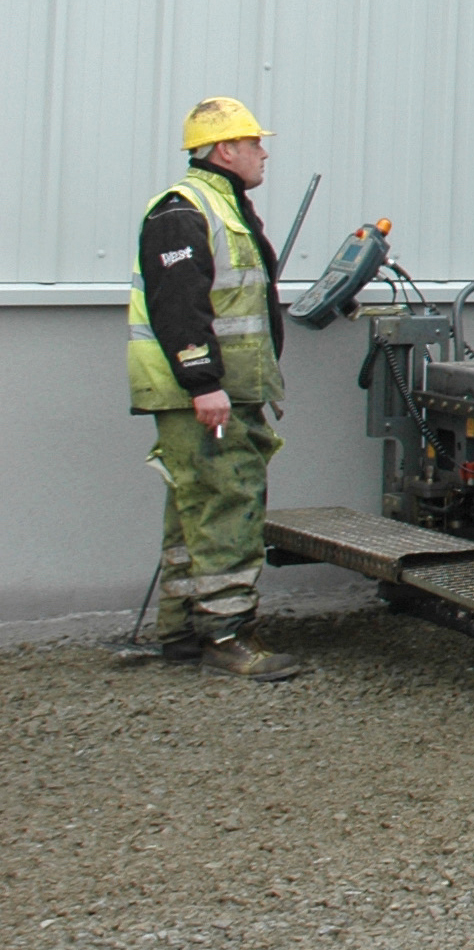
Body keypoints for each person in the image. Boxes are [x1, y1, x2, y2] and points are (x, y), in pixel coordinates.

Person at [125, 97, 303, 679]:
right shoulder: (184, 211)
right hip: (204, 392)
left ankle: (182, 633)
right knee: (230, 503)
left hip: (220, 389)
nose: (264, 152)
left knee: (192, 509)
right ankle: (228, 637)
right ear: (225, 149)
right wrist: (204, 383)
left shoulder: (220, 205)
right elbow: (179, 305)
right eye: (254, 143)